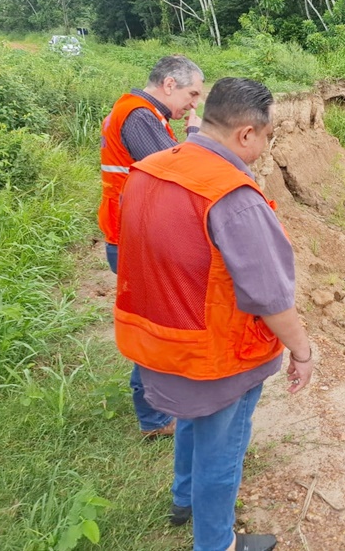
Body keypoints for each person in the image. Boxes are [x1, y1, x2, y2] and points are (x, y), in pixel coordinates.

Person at [114, 77, 313, 551]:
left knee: (190, 419)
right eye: (268, 136)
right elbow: (271, 298)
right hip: (216, 356)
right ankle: (216, 543)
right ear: (246, 134)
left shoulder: (151, 168)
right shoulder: (234, 198)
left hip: (158, 338)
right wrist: (302, 351)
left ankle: (183, 500)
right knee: (221, 455)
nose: (267, 146)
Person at [98, 54, 204, 438]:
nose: (194, 104)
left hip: (134, 232)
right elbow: (174, 172)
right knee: (153, 326)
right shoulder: (139, 116)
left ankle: (158, 409)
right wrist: (194, 135)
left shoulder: (145, 114)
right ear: (170, 84)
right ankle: (155, 419)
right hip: (132, 237)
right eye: (192, 94)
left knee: (156, 322)